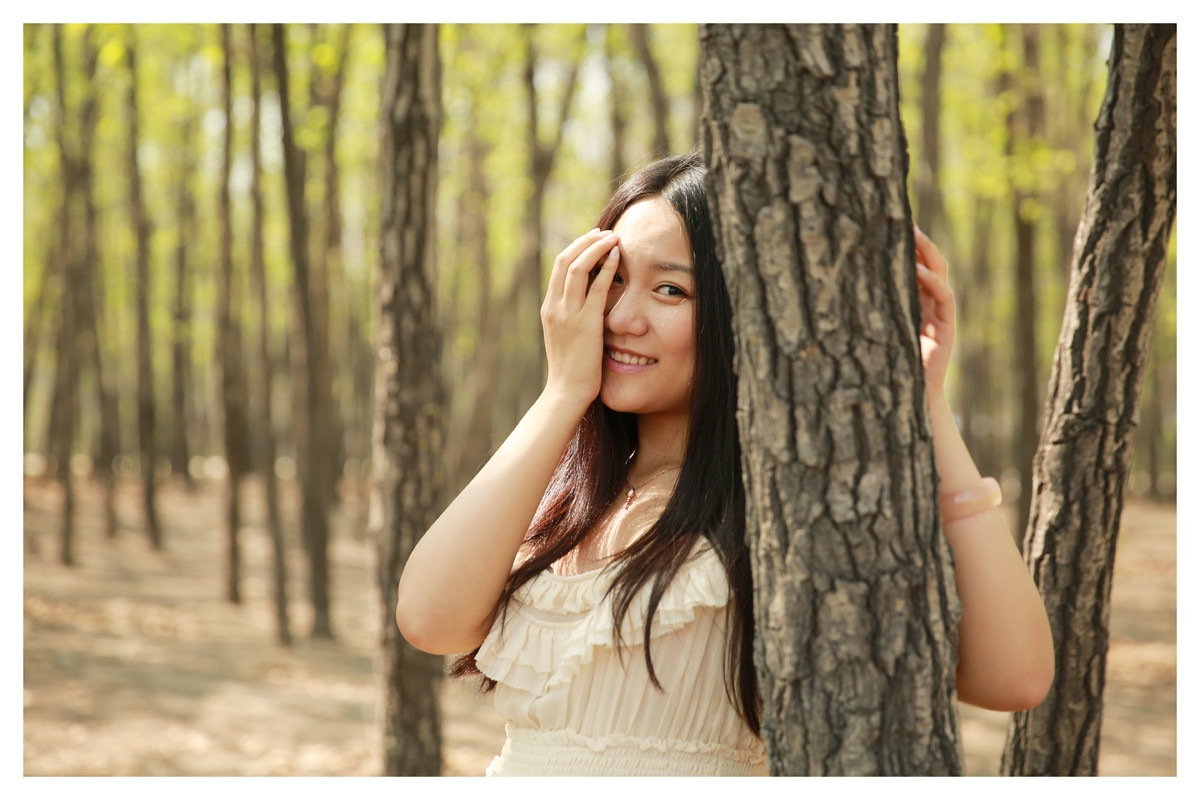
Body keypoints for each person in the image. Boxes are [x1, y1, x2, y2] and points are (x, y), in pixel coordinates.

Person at [395, 152, 1054, 776]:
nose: (622, 316)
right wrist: (562, 391)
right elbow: (429, 621)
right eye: (612, 280)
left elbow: (1014, 676)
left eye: (671, 290)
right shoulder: (572, 498)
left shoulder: (785, 508)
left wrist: (927, 403)